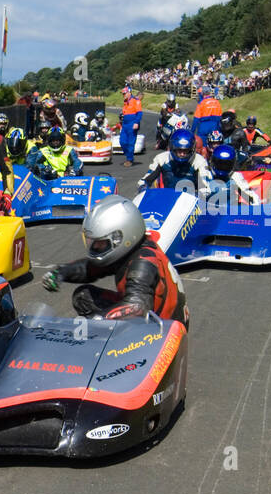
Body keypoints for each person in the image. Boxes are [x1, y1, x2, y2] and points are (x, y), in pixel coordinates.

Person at [40, 195, 188, 324]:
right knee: (83, 297)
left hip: (164, 328)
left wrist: (99, 321)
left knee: (100, 319)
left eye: (101, 243)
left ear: (123, 236)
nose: (96, 248)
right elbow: (90, 268)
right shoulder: (130, 251)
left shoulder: (143, 263)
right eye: (94, 243)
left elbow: (137, 307)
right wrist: (61, 273)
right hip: (152, 314)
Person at [137, 128, 211, 196]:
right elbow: (145, 180)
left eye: (186, 151)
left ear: (192, 149)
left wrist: (200, 194)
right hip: (167, 199)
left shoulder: (199, 161)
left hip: (191, 202)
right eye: (179, 150)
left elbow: (206, 186)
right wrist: (143, 187)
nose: (182, 154)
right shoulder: (161, 158)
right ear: (172, 148)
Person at [206, 143, 261, 208]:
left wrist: (256, 209)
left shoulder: (235, 176)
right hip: (204, 213)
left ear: (233, 164)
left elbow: (252, 196)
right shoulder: (206, 173)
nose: (223, 167)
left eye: (226, 164)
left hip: (229, 214)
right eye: (220, 163)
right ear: (212, 161)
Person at [119, 86, 143, 166]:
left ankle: (129, 159)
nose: (123, 95)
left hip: (132, 123)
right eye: (123, 94)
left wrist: (136, 122)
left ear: (129, 92)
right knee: (122, 141)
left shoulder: (135, 101)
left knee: (130, 142)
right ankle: (129, 155)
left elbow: (139, 113)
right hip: (125, 124)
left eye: (124, 93)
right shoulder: (125, 102)